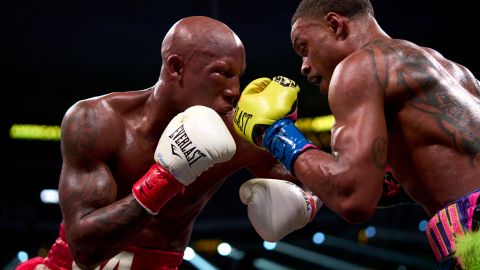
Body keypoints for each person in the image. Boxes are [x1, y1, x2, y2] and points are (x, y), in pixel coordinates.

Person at [15, 16, 323, 270]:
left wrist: (307, 201)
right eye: (222, 74)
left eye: (238, 77)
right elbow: (84, 249)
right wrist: (166, 177)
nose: (235, 91)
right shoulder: (97, 121)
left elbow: (329, 179)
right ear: (176, 68)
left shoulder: (239, 133)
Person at [233, 0, 480, 269]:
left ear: (334, 25)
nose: (303, 66)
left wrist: (274, 132)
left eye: (304, 48)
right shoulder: (455, 72)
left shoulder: (359, 66)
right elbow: (447, 168)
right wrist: (323, 187)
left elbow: (353, 199)